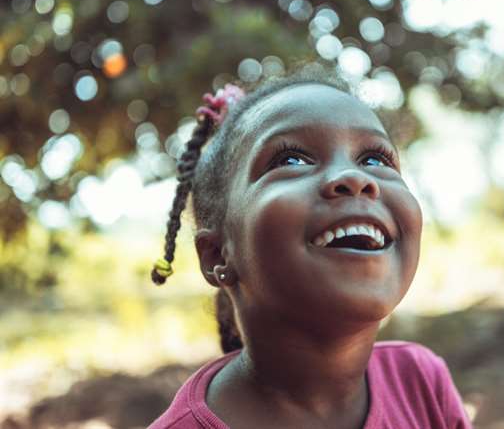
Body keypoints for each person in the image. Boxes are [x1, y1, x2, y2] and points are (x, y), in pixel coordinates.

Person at [149, 63, 472, 428]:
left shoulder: (420, 383)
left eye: (375, 158)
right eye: (291, 159)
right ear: (216, 254)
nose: (355, 177)